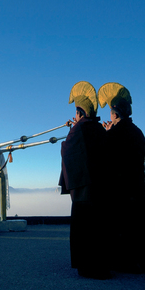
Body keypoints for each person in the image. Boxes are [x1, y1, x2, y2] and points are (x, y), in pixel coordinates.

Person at [98, 82, 145, 274]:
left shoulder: (115, 134)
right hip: (137, 183)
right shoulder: (137, 132)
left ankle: (127, 261)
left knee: (123, 222)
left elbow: (106, 156)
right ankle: (142, 260)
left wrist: (107, 133)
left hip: (121, 185)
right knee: (139, 221)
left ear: (115, 114)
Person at [59, 81, 110, 279]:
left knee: (85, 228)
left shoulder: (79, 129)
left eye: (77, 113)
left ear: (80, 113)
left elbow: (68, 150)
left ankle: (88, 268)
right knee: (99, 227)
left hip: (84, 190)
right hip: (101, 187)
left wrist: (71, 131)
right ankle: (103, 266)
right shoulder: (99, 129)